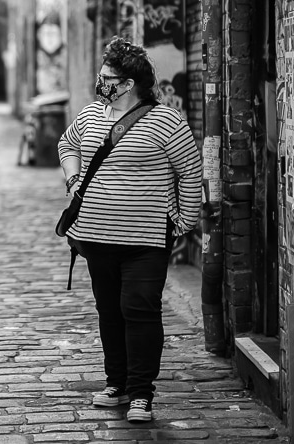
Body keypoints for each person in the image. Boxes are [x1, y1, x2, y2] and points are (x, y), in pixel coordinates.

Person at [57, 36, 202, 423]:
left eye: (108, 77)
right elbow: (66, 144)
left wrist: (184, 220)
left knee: (138, 308)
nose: (102, 82)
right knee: (110, 311)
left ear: (129, 82)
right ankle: (116, 384)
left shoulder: (166, 120)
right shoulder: (90, 115)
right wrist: (73, 181)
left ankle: (141, 394)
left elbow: (190, 170)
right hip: (94, 236)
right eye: (101, 75)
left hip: (145, 239)